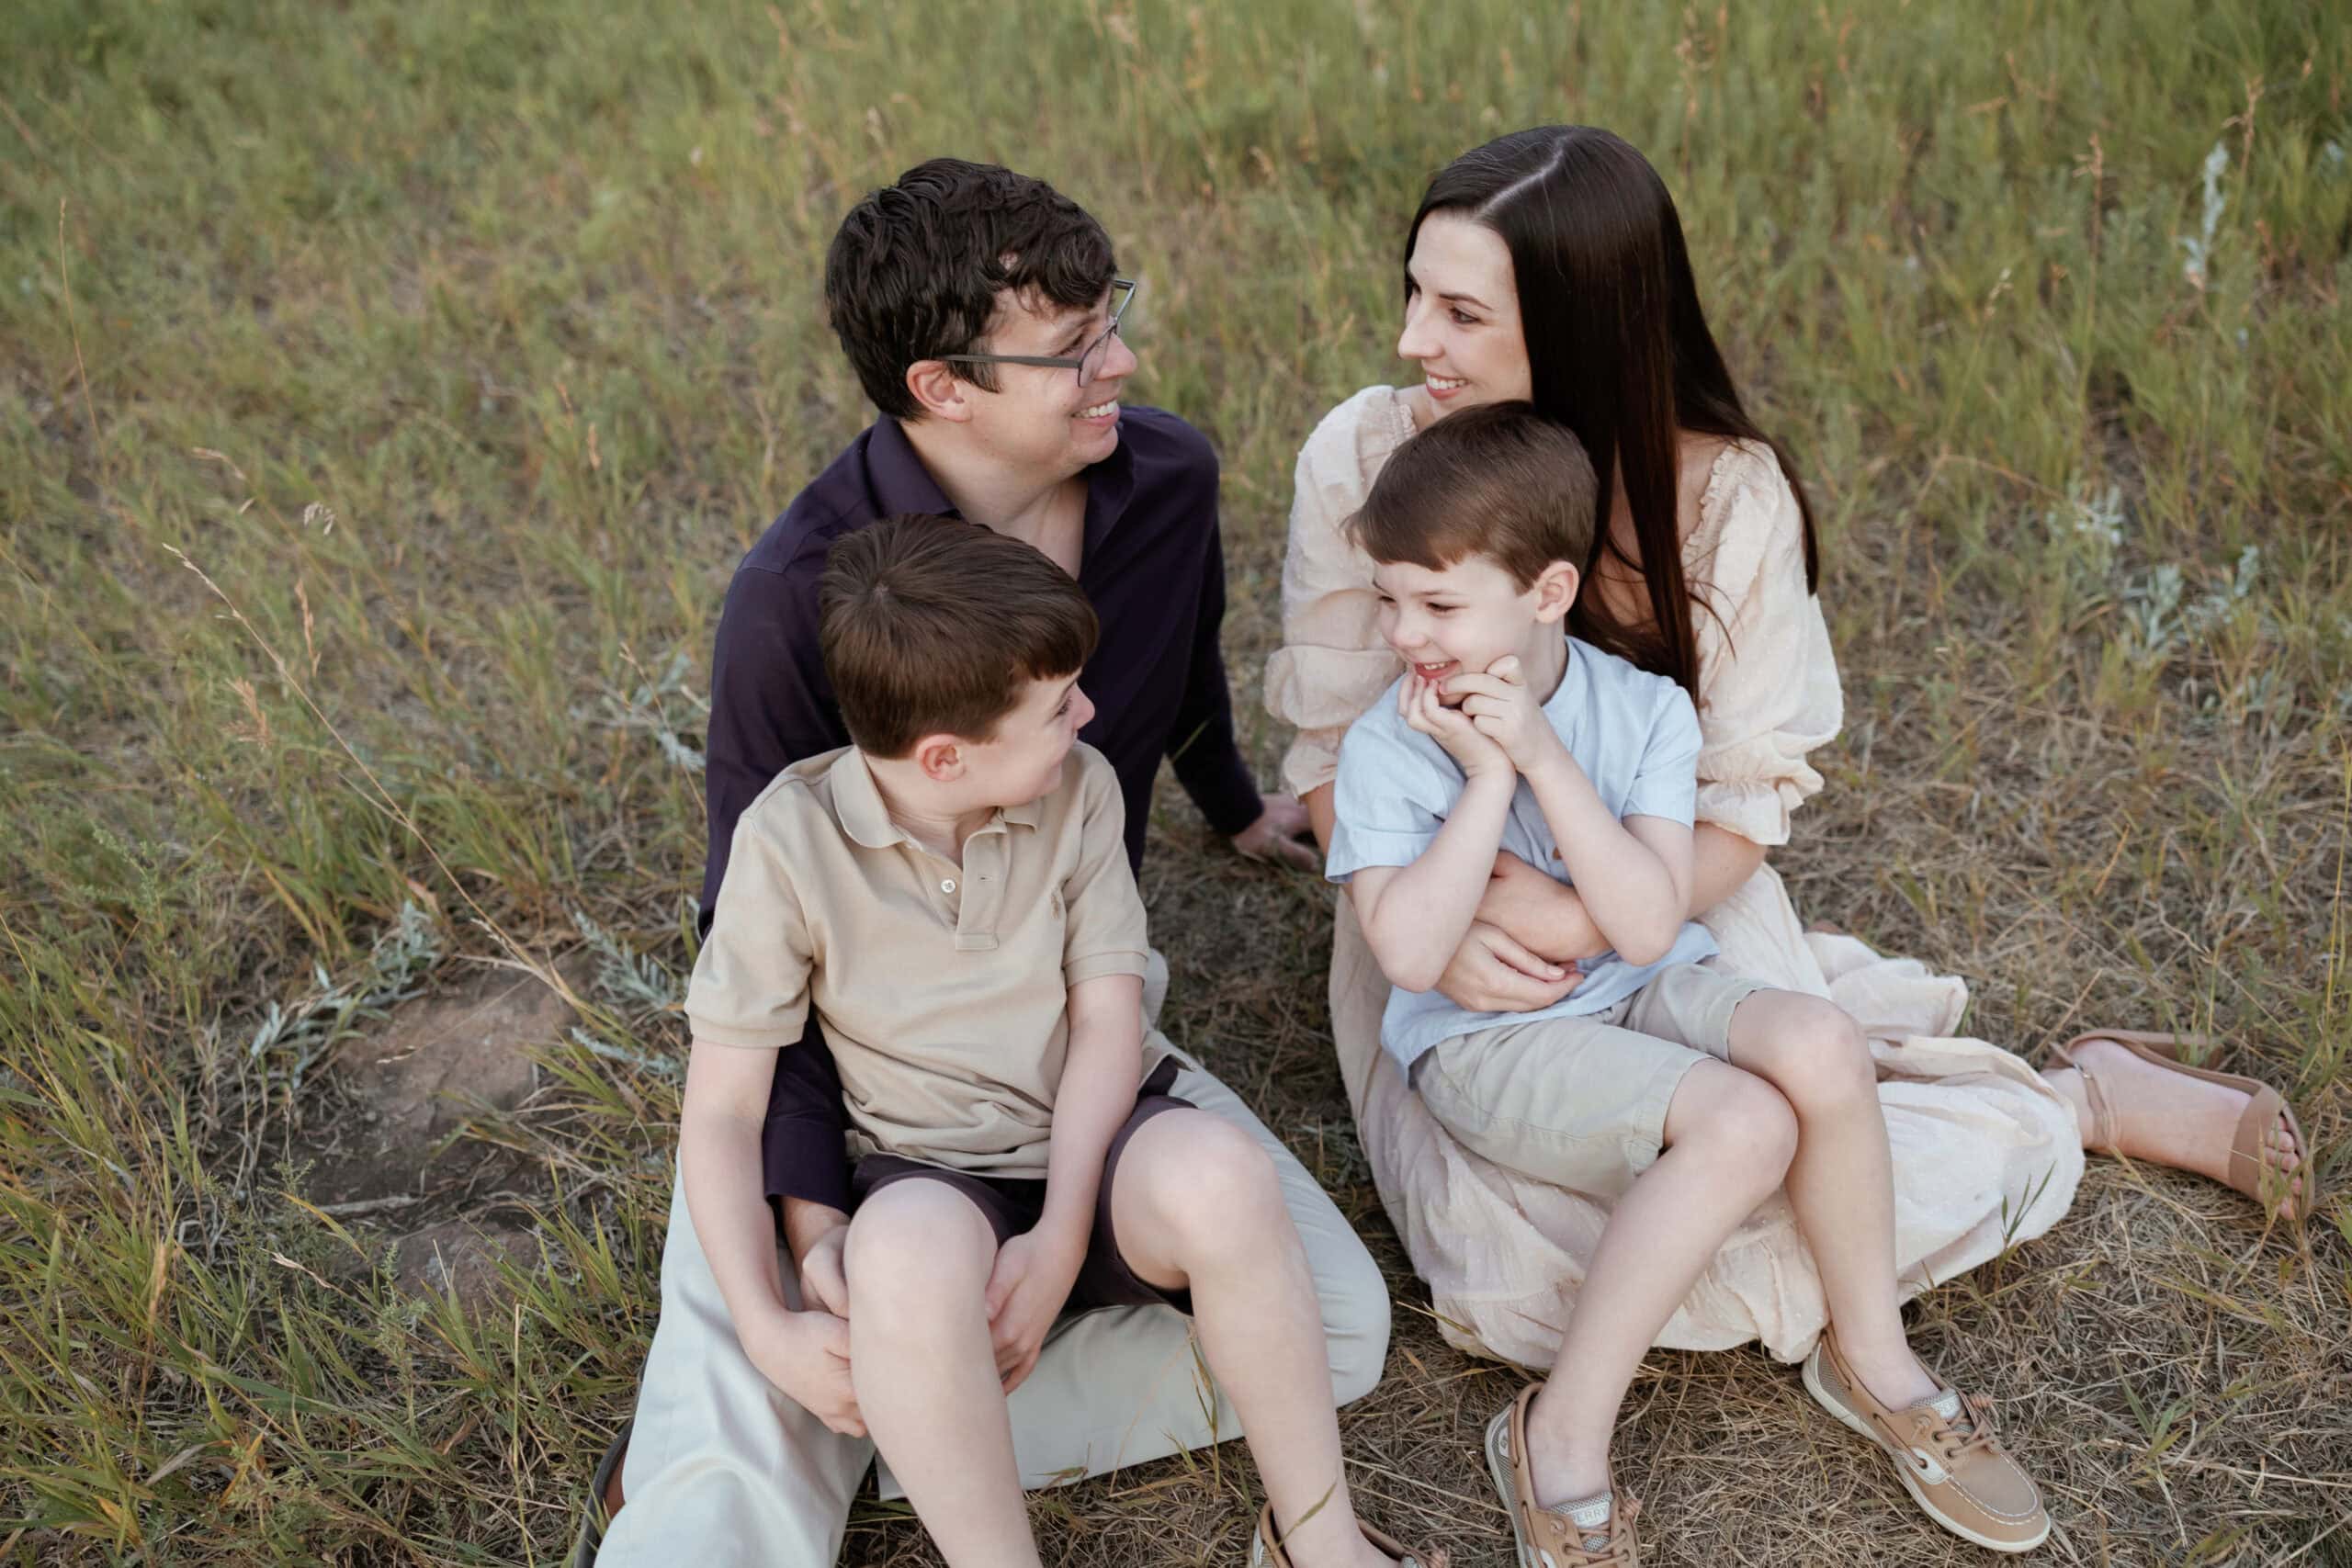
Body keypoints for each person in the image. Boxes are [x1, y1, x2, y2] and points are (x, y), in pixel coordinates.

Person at [1264, 123, 2312, 1556]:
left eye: (1459, 311)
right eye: (1415, 294)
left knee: (1800, 1197)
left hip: (1661, 894)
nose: (1411, 339)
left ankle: (2065, 1113)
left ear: (1574, 322)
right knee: (1531, 1282)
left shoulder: (1722, 497)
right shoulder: (1368, 456)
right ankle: (2029, 1112)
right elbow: (1335, 755)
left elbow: (1736, 813)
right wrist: (1481, 917)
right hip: (1447, 931)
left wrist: (1587, 917)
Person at [586, 160, 1383, 1566]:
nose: (1121, 361)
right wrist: (811, 1220)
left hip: (1059, 994)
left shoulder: (1163, 477)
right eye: (1074, 349)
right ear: (942, 385)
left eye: (1109, 319)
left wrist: (1235, 802)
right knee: (779, 1377)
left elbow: (1180, 666)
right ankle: (793, 1425)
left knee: (1337, 1319)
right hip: (851, 1062)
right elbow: (753, 959)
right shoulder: (800, 608)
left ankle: (914, 1409)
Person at [1325, 405, 2041, 1560]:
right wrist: (1476, 781)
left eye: (1438, 604)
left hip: (1642, 977)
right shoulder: (1393, 743)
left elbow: (1651, 918)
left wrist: (1542, 760)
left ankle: (1874, 1360)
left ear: (1547, 593)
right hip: (1490, 1038)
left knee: (1819, 1042)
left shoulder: (1641, 708)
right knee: (1749, 1124)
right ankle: (1556, 1433)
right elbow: (1408, 954)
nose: (1406, 633)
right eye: (1390, 601)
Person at [673, 517, 1430, 1568]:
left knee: (1220, 1174)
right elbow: (720, 1111)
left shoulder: (1078, 792)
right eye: (1056, 706)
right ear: (945, 756)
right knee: (896, 1260)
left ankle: (1319, 1539)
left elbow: (1105, 1019)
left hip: (1100, 1140)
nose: (1088, 713)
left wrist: (1064, 1232)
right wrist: (762, 1321)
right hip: (929, 1170)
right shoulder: (786, 840)